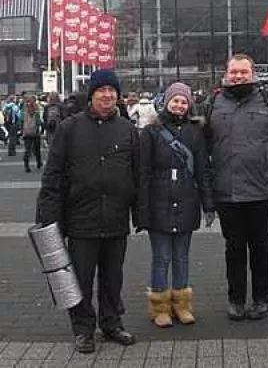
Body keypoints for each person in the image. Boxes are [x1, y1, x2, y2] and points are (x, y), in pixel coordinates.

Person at [36, 69, 143, 354]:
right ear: (92, 94)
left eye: (112, 91)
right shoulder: (69, 129)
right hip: (80, 220)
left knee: (113, 276)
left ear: (117, 95)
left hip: (116, 219)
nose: (107, 95)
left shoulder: (128, 130)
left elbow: (138, 175)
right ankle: (83, 329)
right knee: (80, 278)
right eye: (102, 90)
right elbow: (53, 176)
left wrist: (140, 213)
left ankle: (111, 323)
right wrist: (48, 219)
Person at [204, 53, 268, 320]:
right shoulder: (214, 102)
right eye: (234, 72)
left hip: (260, 188)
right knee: (233, 248)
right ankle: (236, 300)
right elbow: (203, 139)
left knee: (260, 246)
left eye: (243, 72)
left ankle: (261, 299)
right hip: (226, 189)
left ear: (253, 73)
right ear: (226, 73)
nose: (238, 76)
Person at [139, 82, 214, 327]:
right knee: (161, 257)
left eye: (184, 101)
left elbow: (203, 170)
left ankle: (182, 304)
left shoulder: (195, 132)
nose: (179, 105)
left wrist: (208, 204)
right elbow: (143, 173)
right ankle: (159, 306)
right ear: (166, 101)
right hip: (158, 203)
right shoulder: (151, 132)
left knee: (181, 256)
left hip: (186, 201)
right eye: (175, 100)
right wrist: (141, 210)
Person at [19, 95, 44, 172]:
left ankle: (26, 165)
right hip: (35, 133)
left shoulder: (23, 111)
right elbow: (39, 122)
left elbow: (21, 122)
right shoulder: (36, 111)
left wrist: (22, 131)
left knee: (27, 149)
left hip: (26, 133)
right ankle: (39, 162)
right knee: (37, 149)